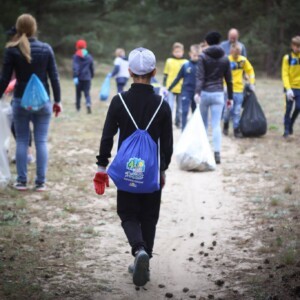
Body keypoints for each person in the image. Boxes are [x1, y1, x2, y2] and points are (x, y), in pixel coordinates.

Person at [93, 47, 173, 287]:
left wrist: (101, 165)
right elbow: (167, 144)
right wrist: (163, 170)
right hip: (150, 172)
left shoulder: (119, 101)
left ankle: (138, 251)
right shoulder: (162, 104)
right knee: (149, 215)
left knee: (127, 212)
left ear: (129, 72)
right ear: (154, 72)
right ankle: (145, 255)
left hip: (127, 171)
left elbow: (107, 135)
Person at [0, 14, 62, 191]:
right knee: (41, 141)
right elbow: (54, 78)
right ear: (34, 28)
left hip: (20, 101)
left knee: (21, 140)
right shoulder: (46, 48)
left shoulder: (12, 50)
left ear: (18, 28)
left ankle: (21, 181)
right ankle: (40, 182)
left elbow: (4, 79)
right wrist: (57, 100)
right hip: (43, 102)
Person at [194, 31, 233, 164]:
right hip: (218, 94)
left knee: (204, 125)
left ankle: (204, 153)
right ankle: (217, 153)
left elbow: (200, 76)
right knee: (216, 125)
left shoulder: (203, 56)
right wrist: (230, 98)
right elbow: (229, 80)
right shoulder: (225, 57)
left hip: (205, 93)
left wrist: (197, 92)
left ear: (208, 42)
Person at [223, 43, 255, 137]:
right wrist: (224, 85)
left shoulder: (243, 60)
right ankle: (225, 125)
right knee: (228, 110)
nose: (237, 56)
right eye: (235, 54)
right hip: (229, 91)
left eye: (238, 53)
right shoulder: (226, 60)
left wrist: (252, 82)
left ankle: (236, 130)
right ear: (231, 51)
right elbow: (221, 73)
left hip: (239, 90)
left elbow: (250, 71)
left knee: (237, 111)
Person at [168, 44, 200, 130]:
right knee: (184, 111)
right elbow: (178, 78)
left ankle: (194, 129)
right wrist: (169, 88)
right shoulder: (185, 65)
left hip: (196, 92)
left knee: (195, 111)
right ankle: (183, 130)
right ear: (190, 54)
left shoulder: (201, 66)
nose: (196, 57)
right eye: (194, 55)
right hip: (186, 91)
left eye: (198, 55)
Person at [163, 42, 188, 128]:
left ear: (183, 52)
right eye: (176, 51)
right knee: (170, 106)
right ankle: (168, 122)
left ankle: (178, 121)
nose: (178, 53)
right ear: (173, 52)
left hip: (181, 88)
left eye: (179, 51)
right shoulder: (169, 61)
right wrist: (164, 86)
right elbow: (165, 74)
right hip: (170, 87)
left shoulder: (186, 62)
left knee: (179, 108)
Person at [281, 36, 300, 138]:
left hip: (299, 88)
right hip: (290, 88)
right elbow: (285, 74)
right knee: (288, 109)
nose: (298, 49)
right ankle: (286, 130)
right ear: (292, 46)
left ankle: (291, 123)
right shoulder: (287, 58)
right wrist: (288, 88)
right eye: (296, 46)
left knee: (298, 107)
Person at [72, 39, 94, 113]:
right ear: (85, 47)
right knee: (87, 93)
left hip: (78, 78)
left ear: (77, 47)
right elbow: (91, 67)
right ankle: (88, 104)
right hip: (87, 78)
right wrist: (92, 75)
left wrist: (75, 76)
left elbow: (75, 67)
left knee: (78, 94)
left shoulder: (75, 56)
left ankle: (78, 108)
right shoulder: (89, 56)